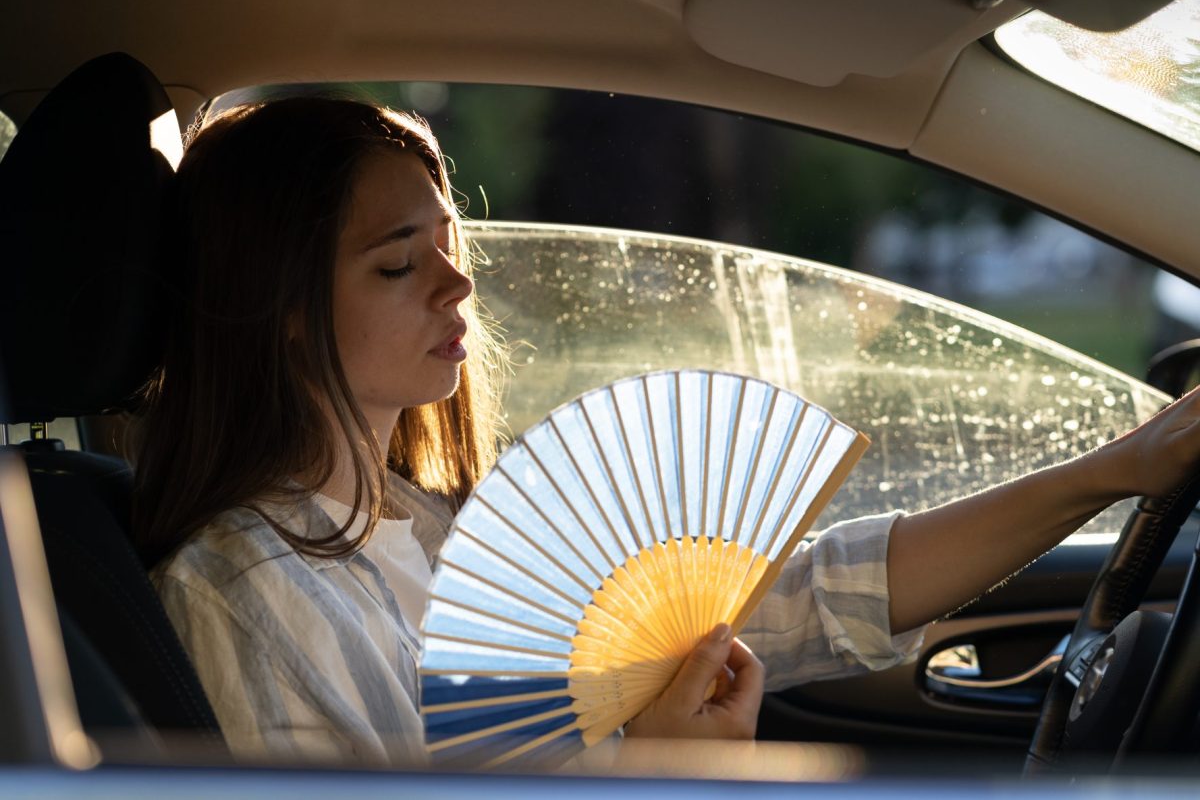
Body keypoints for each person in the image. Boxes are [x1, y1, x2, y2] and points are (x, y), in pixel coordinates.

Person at [132, 96, 1200, 767]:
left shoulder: (435, 527)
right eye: (399, 261)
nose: (459, 283)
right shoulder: (250, 592)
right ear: (275, 304)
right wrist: (658, 771)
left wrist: (1117, 470)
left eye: (452, 244)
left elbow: (808, 600)